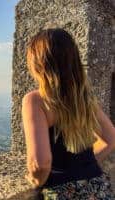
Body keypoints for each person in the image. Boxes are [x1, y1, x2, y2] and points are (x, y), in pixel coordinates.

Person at [22, 28, 115, 199]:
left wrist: (35, 181)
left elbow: (41, 164)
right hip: (98, 189)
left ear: (39, 64)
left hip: (61, 192)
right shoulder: (84, 99)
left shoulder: (35, 101)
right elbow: (110, 139)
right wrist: (82, 167)